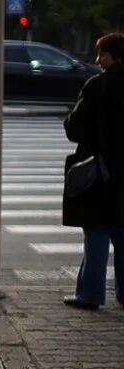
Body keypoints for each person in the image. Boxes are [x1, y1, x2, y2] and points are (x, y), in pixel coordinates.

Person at [61, 31, 124, 311]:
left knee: (97, 232)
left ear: (115, 55)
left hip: (100, 172)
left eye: (103, 54)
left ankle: (91, 293)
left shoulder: (98, 86)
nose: (98, 59)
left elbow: (75, 129)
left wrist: (70, 115)